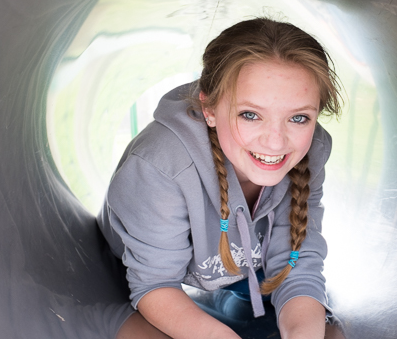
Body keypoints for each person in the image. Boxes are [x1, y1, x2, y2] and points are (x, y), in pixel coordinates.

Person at [98, 17, 344, 339]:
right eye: (250, 115)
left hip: (243, 268)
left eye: (298, 117)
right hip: (138, 277)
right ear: (210, 109)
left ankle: (229, 301)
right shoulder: (161, 165)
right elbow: (155, 283)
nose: (275, 142)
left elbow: (297, 264)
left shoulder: (311, 150)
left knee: (330, 331)